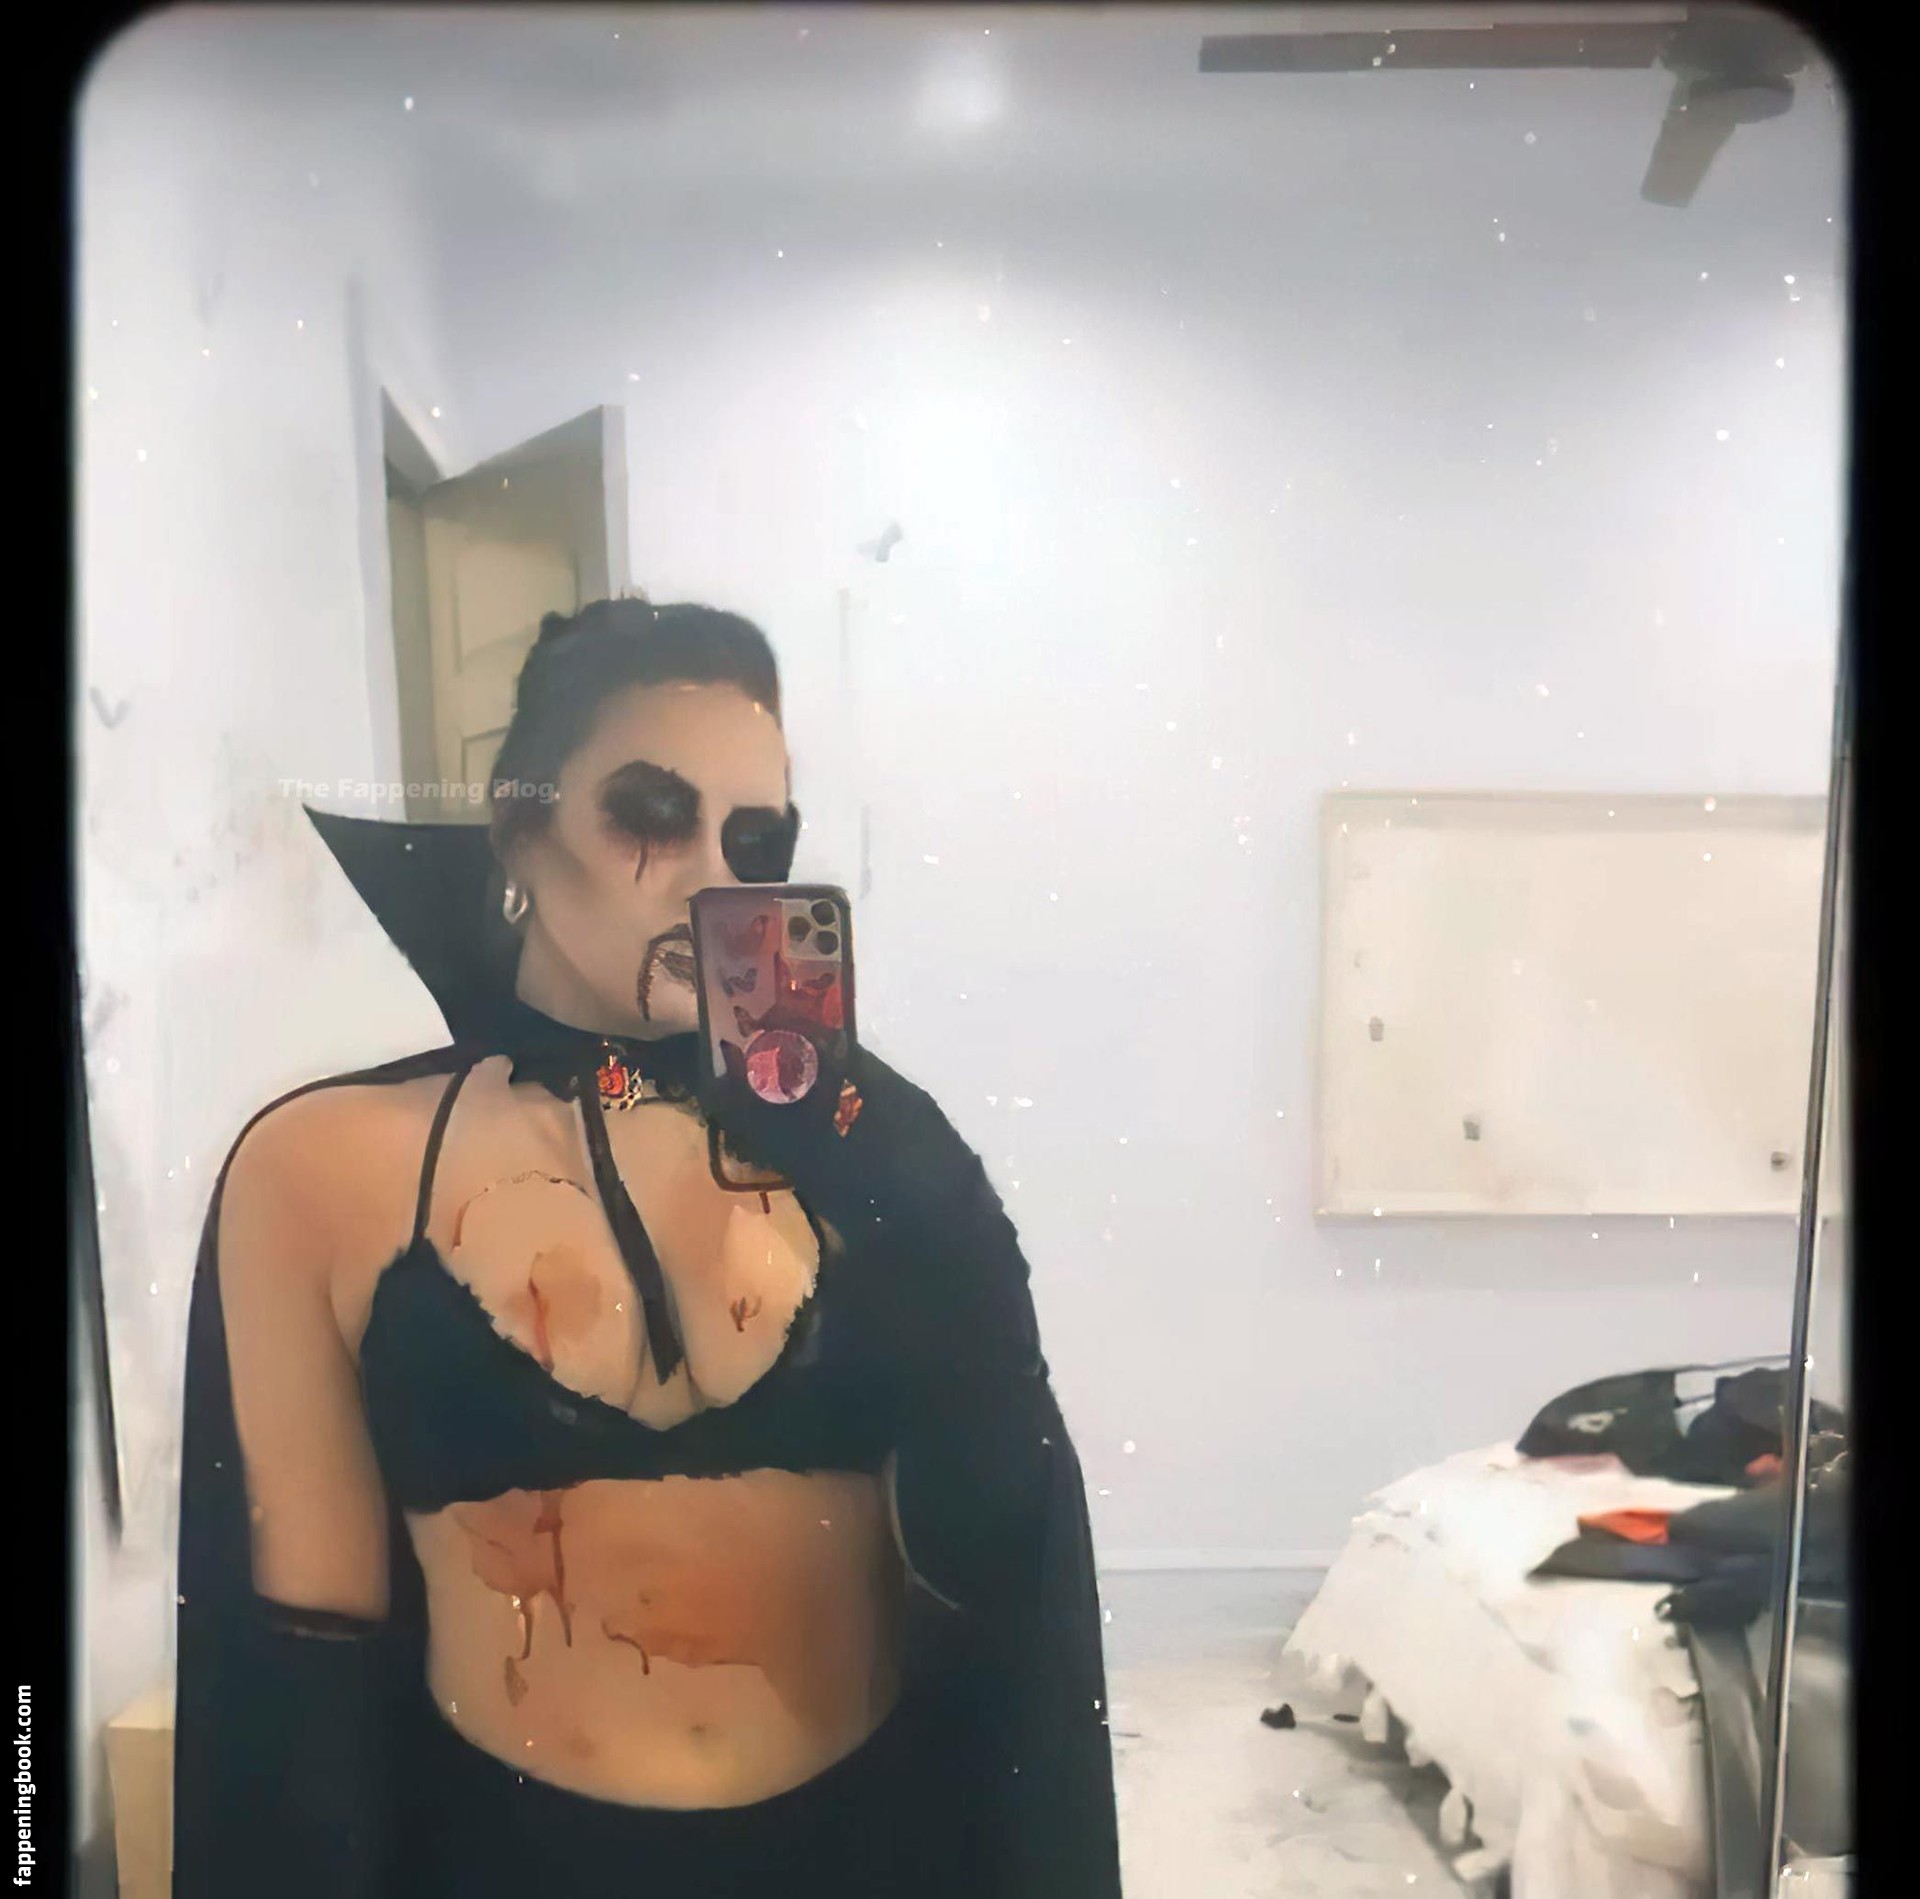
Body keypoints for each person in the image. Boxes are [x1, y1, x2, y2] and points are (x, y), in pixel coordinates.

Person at [172, 598, 1121, 1897]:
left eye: (756, 837)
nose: (711, 874)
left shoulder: (872, 1150)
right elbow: (301, 1667)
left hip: (864, 1856)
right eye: (652, 814)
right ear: (519, 825)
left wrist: (921, 1205)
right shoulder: (320, 1170)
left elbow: (1003, 1545)